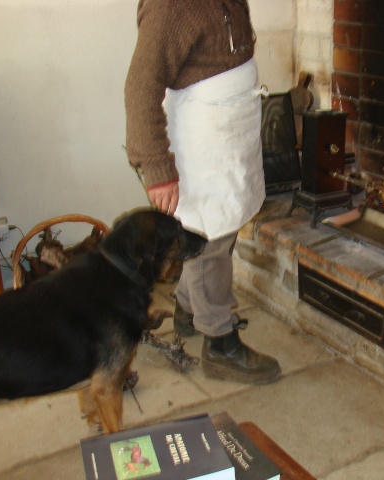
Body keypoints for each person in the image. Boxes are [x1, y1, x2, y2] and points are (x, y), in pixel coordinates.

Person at [124, 0, 280, 385]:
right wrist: (157, 169)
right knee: (208, 238)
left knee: (221, 228)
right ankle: (220, 342)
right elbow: (140, 89)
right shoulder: (169, 6)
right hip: (201, 140)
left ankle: (186, 309)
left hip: (228, 130)